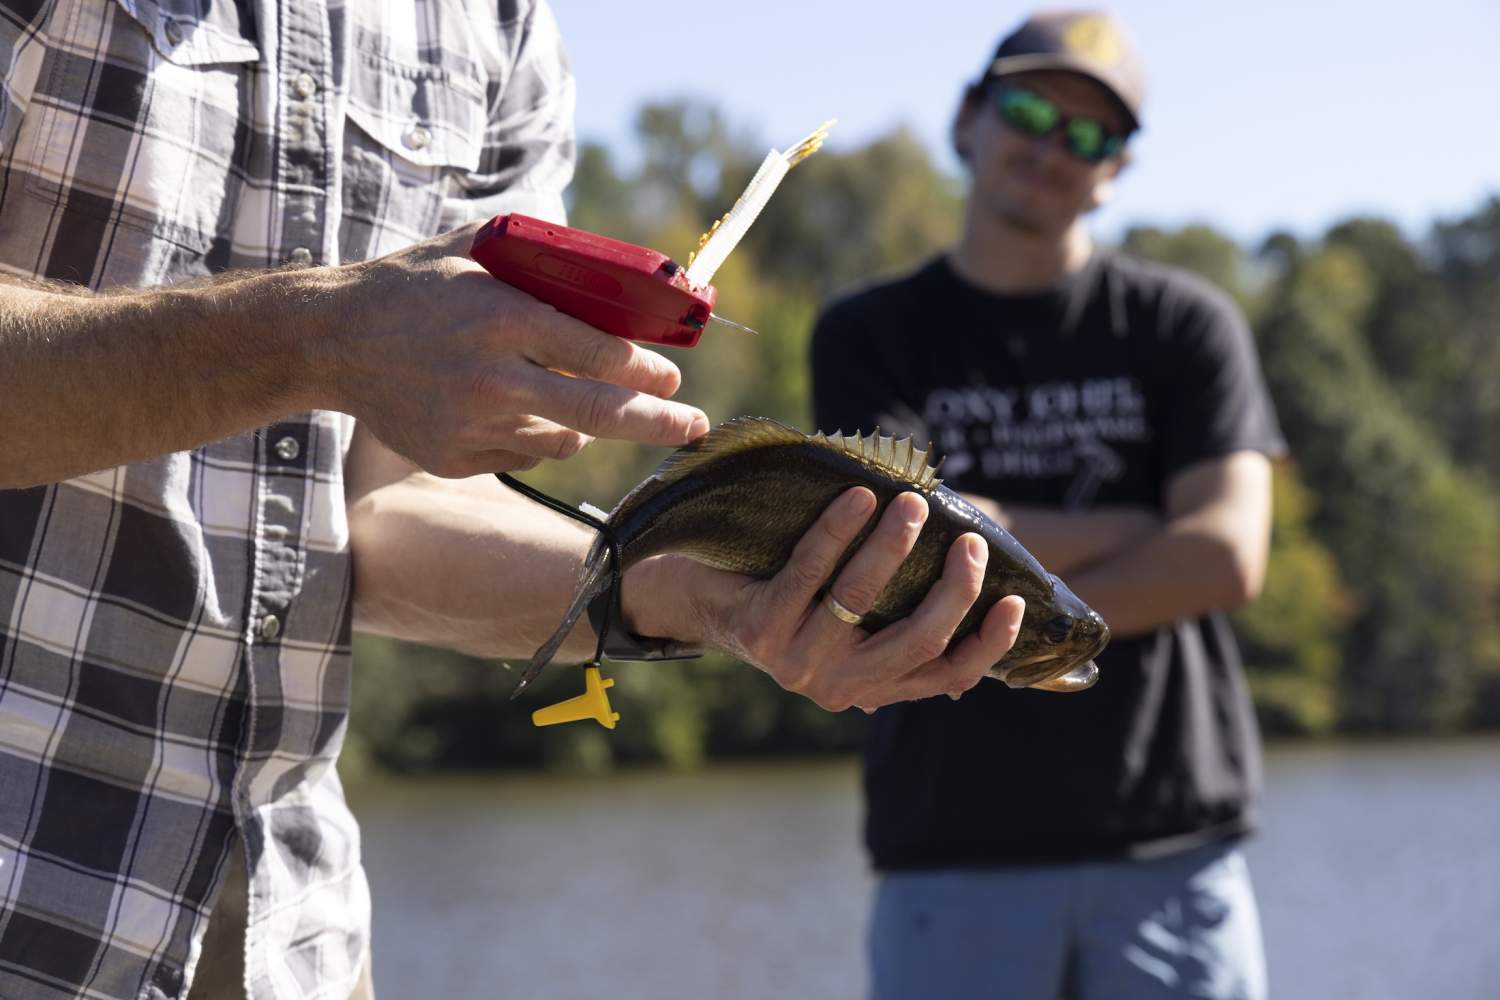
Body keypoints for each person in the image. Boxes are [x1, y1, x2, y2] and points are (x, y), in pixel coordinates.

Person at [0, 2, 1027, 997]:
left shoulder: (497, 27)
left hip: (291, 930)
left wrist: (701, 597)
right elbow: (333, 351)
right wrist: (314, 339)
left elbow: (390, 517)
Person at [811, 10, 1285, 1000]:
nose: (1053, 148)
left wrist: (988, 529)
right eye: (1031, 109)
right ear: (967, 121)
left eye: (1091, 135)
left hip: (1171, 851)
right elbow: (892, 554)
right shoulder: (868, 334)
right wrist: (1134, 527)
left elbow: (1227, 558)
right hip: (948, 847)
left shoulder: (1183, 325)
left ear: (1115, 169)